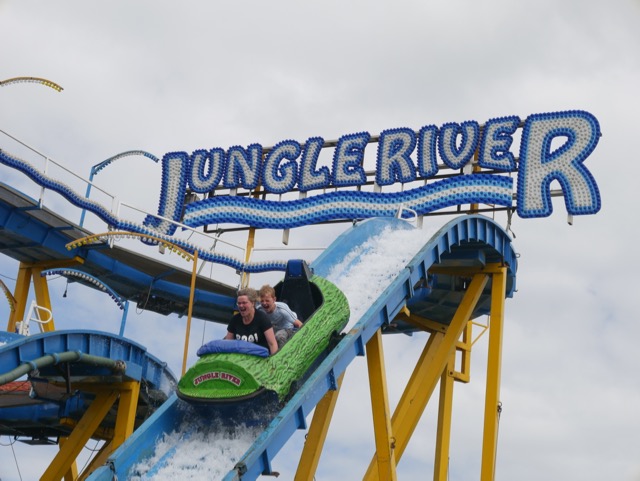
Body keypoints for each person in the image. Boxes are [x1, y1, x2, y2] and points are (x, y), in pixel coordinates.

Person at [224, 287, 278, 355]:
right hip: (239, 357)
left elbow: (272, 344)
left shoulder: (262, 318)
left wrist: (272, 363)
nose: (241, 306)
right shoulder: (235, 320)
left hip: (259, 358)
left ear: (252, 303)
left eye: (244, 303)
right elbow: (227, 343)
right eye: (239, 303)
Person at [257, 284, 303, 349]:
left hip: (287, 328)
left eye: (267, 300)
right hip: (273, 329)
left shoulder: (282, 309)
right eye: (262, 301)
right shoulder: (259, 310)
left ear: (274, 299)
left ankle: (282, 355)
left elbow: (299, 324)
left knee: (279, 336)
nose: (264, 303)